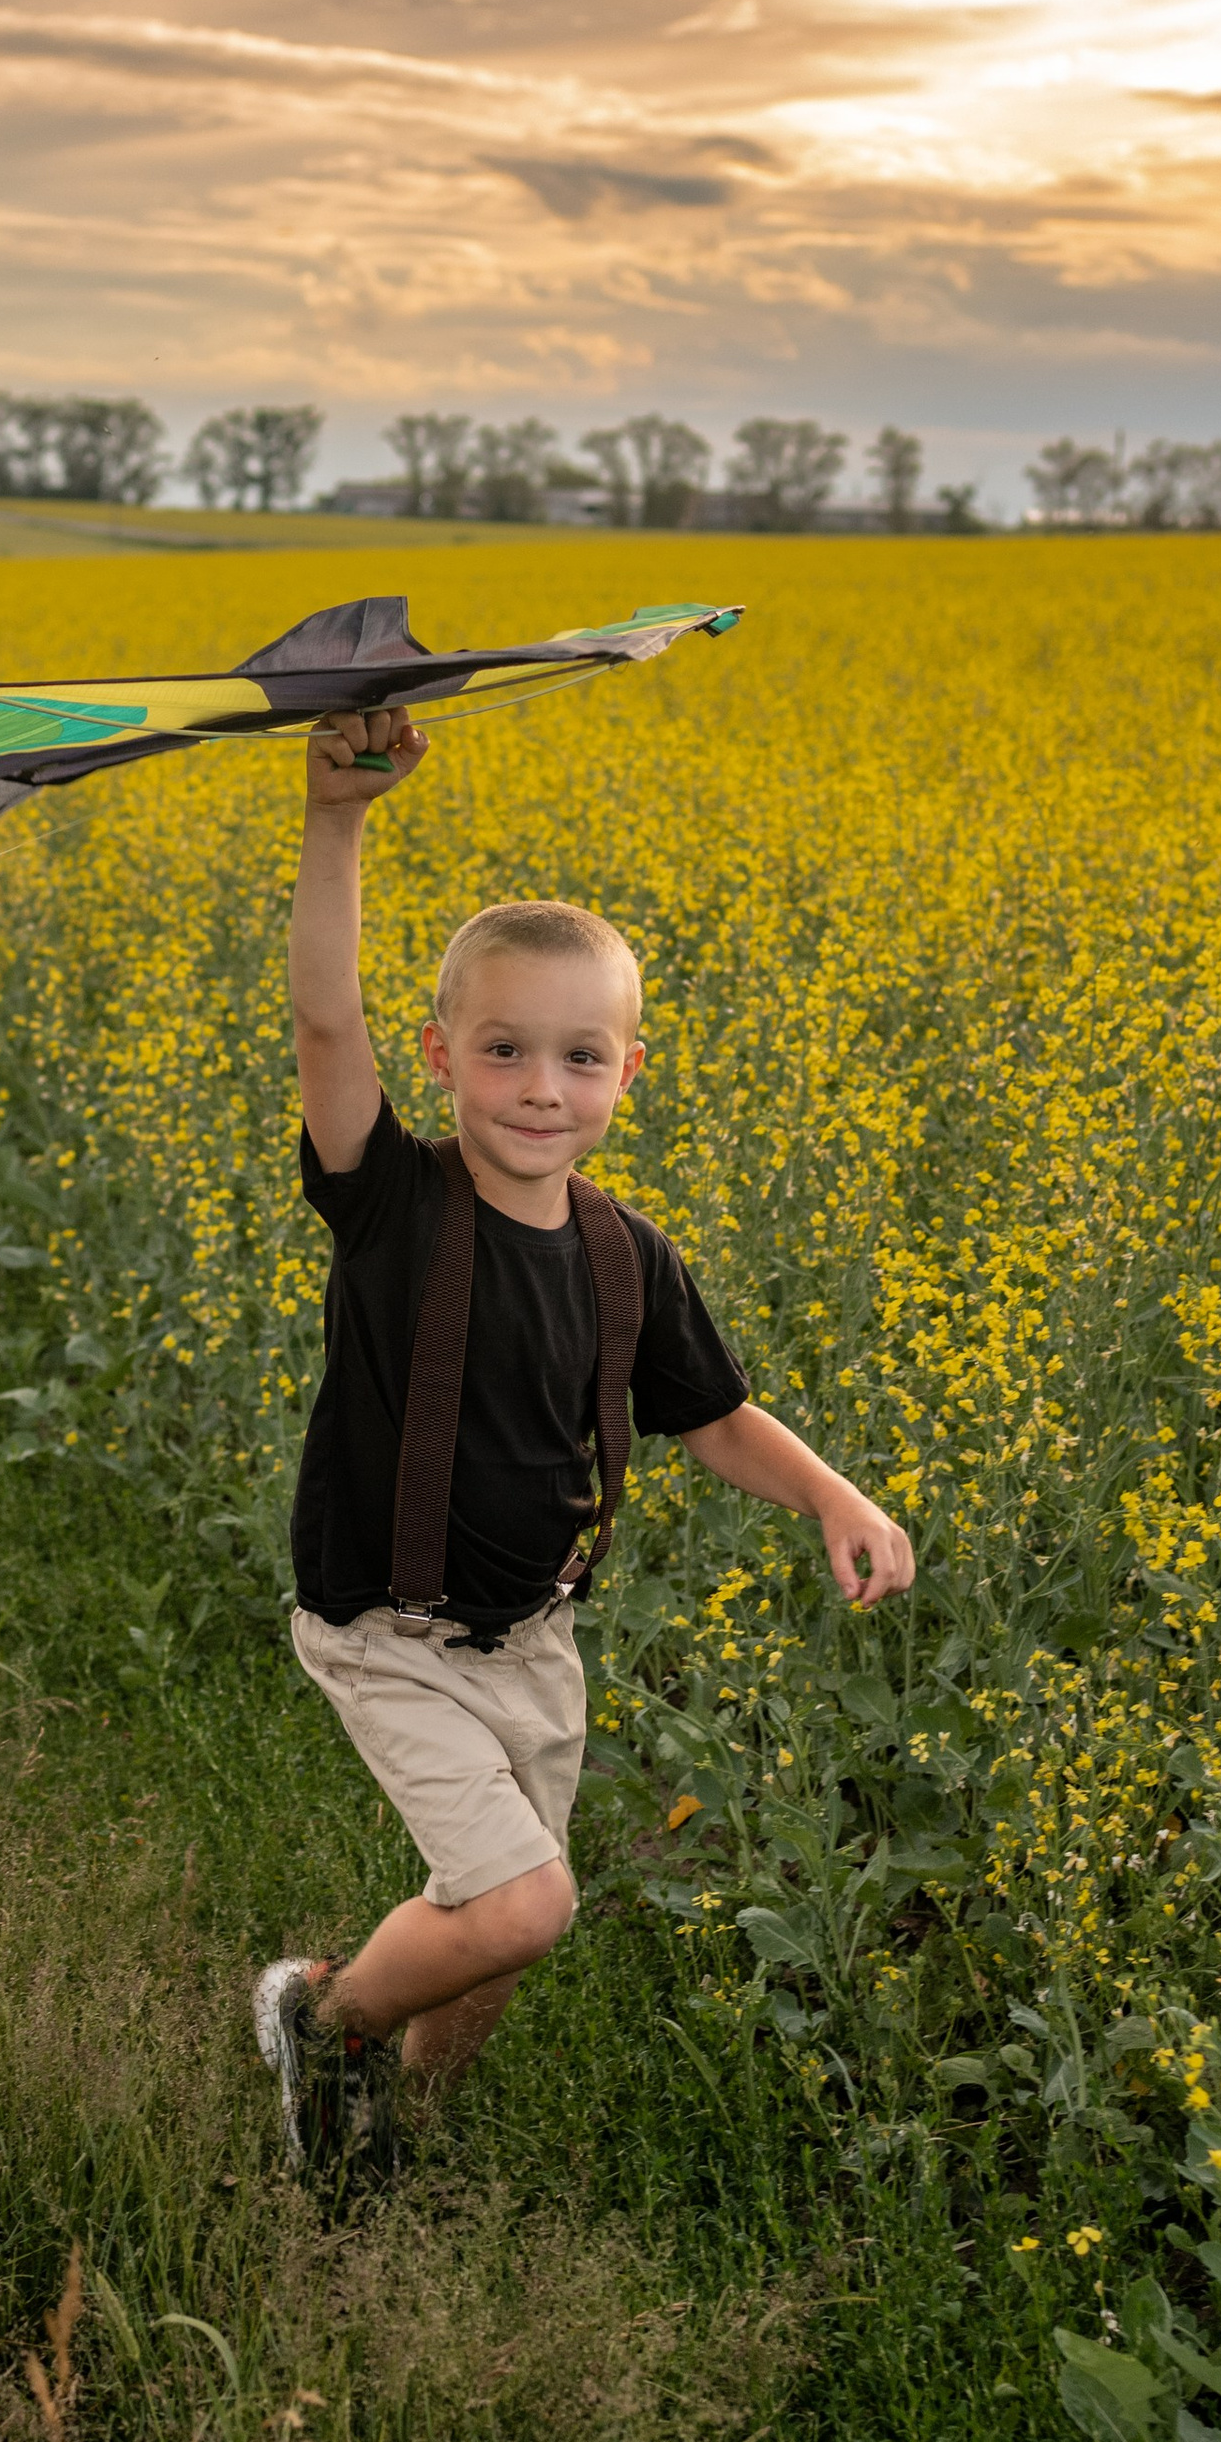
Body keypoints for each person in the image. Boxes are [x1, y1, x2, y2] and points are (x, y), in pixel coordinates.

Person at [254, 700, 916, 2175]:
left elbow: (714, 1415)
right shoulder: (392, 1204)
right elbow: (324, 1019)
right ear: (440, 1057)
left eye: (578, 1056)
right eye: (503, 1051)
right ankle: (322, 2022)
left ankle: (399, 2124)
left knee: (495, 1937)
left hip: (533, 1643)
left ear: (628, 1073)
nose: (541, 1088)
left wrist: (831, 1495)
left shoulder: (626, 1255)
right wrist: (337, 815)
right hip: (388, 1629)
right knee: (526, 1903)